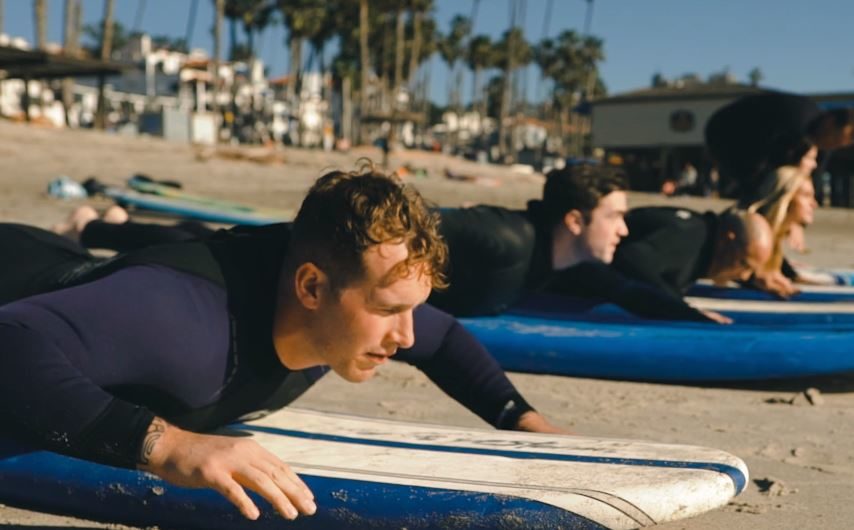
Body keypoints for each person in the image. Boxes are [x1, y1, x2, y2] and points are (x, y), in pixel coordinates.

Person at [0, 168, 562, 522]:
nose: (408, 335)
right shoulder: (184, 325)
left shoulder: (349, 314)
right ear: (312, 286)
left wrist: (526, 423)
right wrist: (167, 445)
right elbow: (11, 339)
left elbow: (445, 342)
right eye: (389, 310)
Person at [429, 165, 733, 323]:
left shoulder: (569, 265)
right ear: (575, 221)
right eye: (614, 217)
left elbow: (631, 293)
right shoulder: (505, 236)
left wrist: (691, 314)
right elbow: (401, 218)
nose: (624, 230)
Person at [704, 91, 854, 198]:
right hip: (725, 131)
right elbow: (776, 171)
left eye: (838, 145)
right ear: (830, 122)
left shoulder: (822, 137)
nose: (832, 146)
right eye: (834, 140)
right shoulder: (797, 120)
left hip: (761, 141)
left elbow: (815, 178)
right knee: (764, 187)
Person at [611, 207, 774, 305]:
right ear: (727, 240)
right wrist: (680, 307)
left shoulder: (701, 232)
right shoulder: (689, 238)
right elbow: (632, 258)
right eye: (744, 264)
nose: (744, 276)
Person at [744, 166, 822, 295]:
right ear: (785, 197)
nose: (814, 204)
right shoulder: (752, 234)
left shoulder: (772, 237)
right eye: (806, 196)